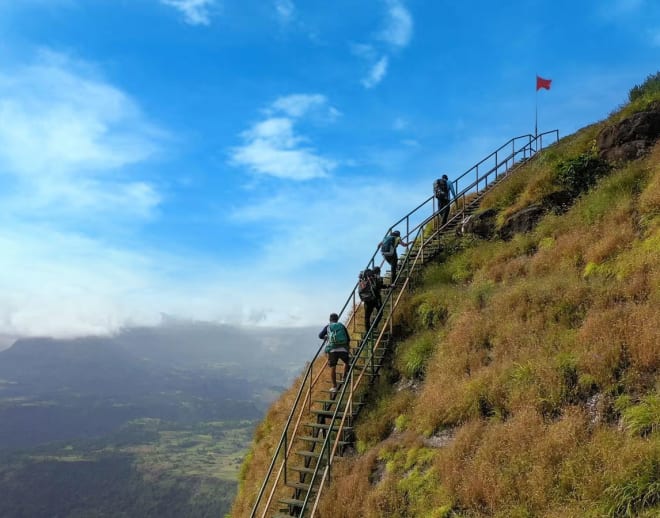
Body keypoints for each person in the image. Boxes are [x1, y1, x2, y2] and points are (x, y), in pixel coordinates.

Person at [318, 313, 351, 393]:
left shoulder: (328, 327)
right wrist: (347, 347)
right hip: (343, 348)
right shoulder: (341, 326)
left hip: (332, 350)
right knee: (347, 362)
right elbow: (348, 338)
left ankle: (334, 387)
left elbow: (320, 335)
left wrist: (326, 337)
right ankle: (344, 377)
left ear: (330, 319)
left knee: (333, 368)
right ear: (337, 319)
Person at [359, 266, 384, 334]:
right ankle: (374, 326)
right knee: (380, 312)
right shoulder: (374, 278)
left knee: (367, 317)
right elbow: (376, 287)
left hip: (366, 301)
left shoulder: (362, 280)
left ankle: (368, 332)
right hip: (374, 299)